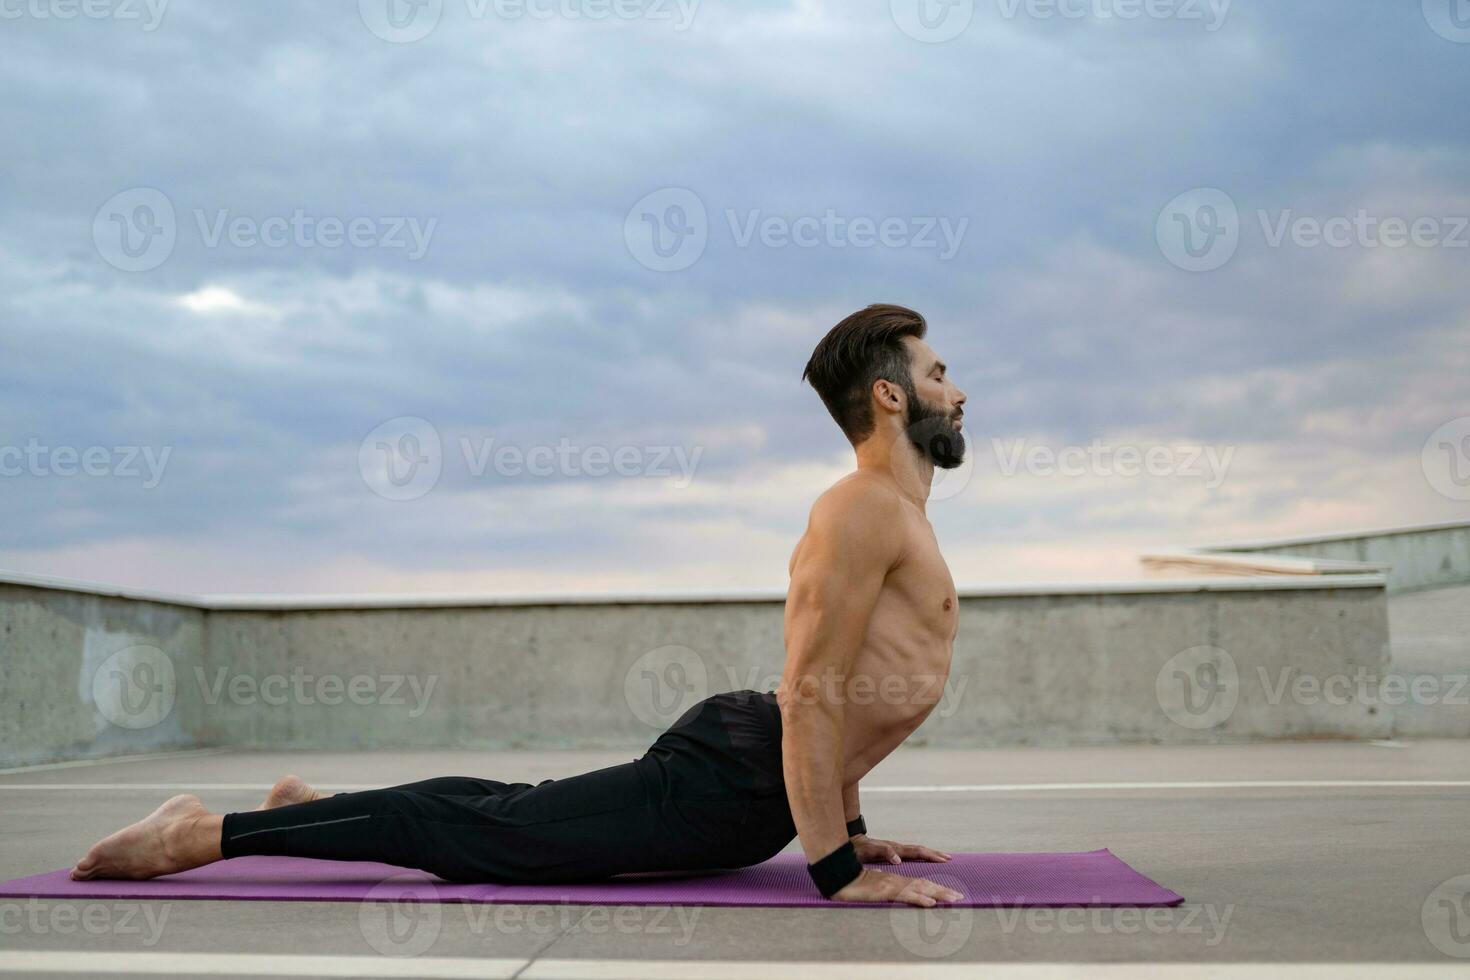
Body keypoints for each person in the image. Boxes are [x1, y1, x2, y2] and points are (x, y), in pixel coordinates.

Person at [71, 303, 969, 907]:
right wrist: (837, 870)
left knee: (514, 809)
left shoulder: (898, 513)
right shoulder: (858, 510)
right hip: (729, 780)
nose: (958, 391)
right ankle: (193, 836)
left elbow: (852, 695)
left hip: (753, 791)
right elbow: (812, 692)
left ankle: (309, 803)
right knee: (482, 836)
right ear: (890, 396)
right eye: (938, 374)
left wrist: (854, 831)